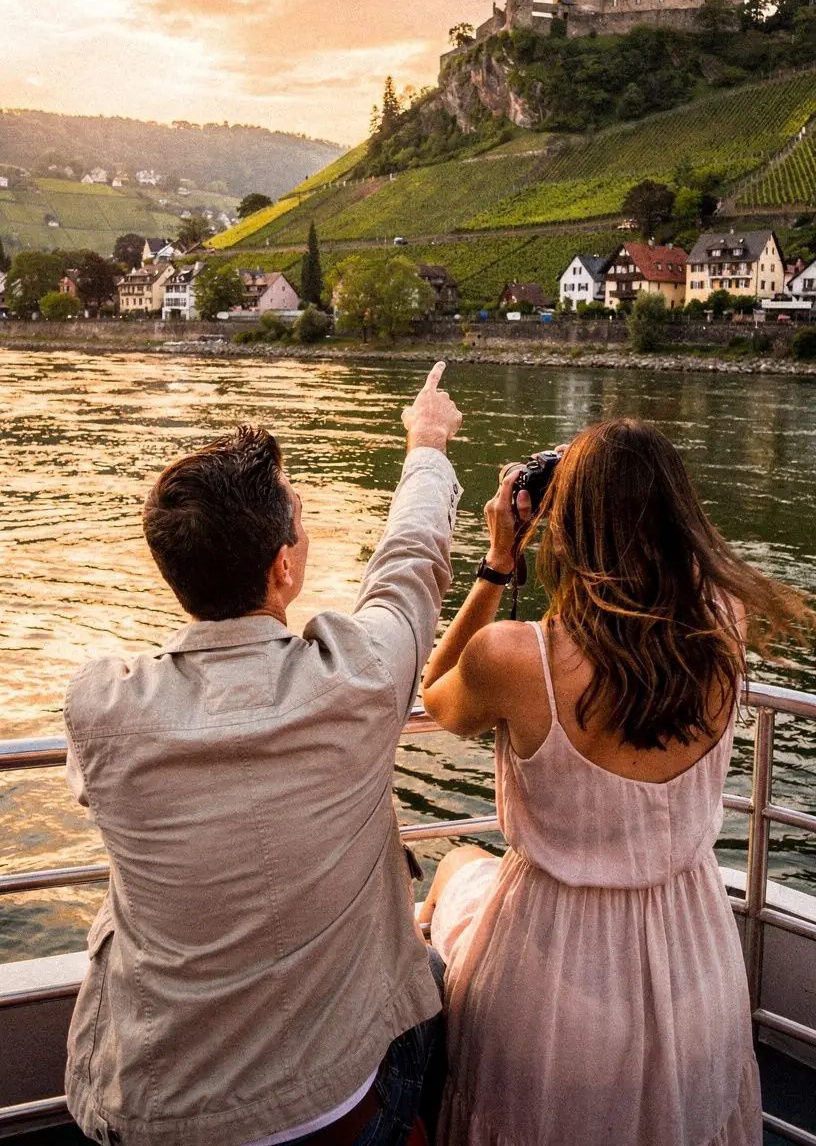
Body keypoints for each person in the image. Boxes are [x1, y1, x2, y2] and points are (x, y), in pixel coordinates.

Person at [63, 362, 463, 1146]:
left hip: (155, 1114)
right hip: (332, 1108)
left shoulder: (100, 706)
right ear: (284, 568)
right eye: (302, 522)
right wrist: (426, 441)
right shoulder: (359, 677)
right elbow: (410, 559)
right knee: (436, 988)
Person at [420, 418, 814, 1146]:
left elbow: (438, 688)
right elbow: (676, 579)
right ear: (680, 514)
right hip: (693, 960)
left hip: (549, 979)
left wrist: (501, 559)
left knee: (451, 866)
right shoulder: (724, 624)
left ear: (568, 525)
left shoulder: (514, 658)